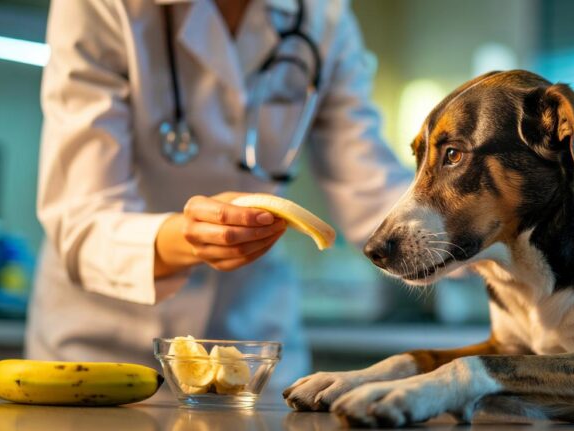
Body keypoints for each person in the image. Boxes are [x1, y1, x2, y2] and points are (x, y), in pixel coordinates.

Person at [26, 0, 410, 390]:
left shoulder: (320, 15)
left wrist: (463, 226)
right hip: (104, 344)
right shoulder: (101, 6)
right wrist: (191, 238)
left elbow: (371, 190)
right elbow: (82, 217)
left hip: (252, 341)